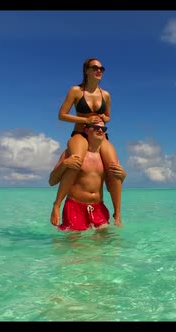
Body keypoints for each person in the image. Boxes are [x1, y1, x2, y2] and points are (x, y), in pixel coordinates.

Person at [51, 57, 124, 227]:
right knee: (76, 159)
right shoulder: (76, 91)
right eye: (95, 68)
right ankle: (57, 204)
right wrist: (85, 119)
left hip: (99, 135)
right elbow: (62, 115)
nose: (99, 71)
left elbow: (108, 117)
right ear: (86, 70)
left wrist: (102, 118)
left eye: (101, 68)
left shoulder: (105, 94)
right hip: (80, 132)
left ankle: (118, 214)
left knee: (114, 166)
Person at [49, 123, 126, 231]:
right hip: (75, 207)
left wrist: (122, 177)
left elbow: (110, 187)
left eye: (103, 128)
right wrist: (64, 164)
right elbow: (52, 181)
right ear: (86, 130)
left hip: (98, 207)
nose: (100, 130)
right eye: (95, 127)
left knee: (107, 245)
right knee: (75, 245)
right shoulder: (72, 153)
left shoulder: (106, 158)